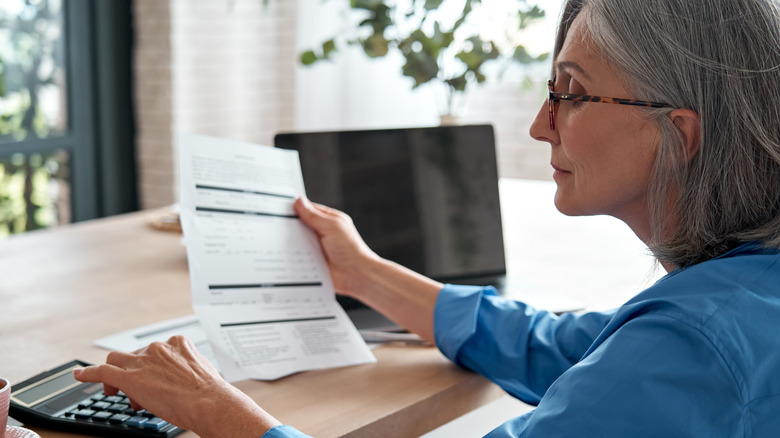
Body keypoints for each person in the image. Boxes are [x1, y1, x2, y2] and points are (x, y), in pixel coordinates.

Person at [74, 0, 780, 436]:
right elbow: (564, 348)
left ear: (677, 134)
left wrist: (217, 411)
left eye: (572, 92)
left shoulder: (693, 347)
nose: (541, 125)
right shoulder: (737, 300)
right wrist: (368, 273)